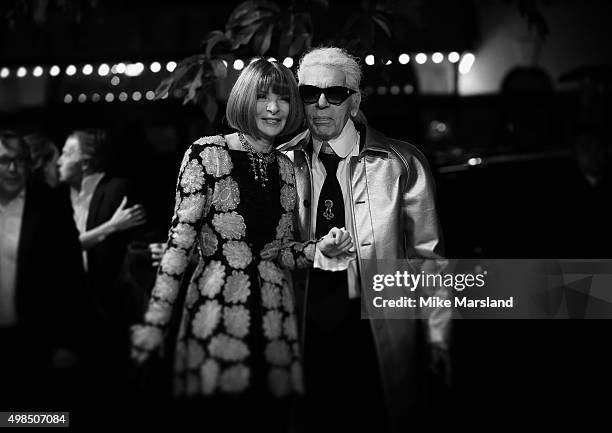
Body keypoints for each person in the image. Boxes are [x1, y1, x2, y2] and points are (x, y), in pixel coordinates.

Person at [130, 59, 353, 430]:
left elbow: (279, 251)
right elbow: (178, 248)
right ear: (243, 100)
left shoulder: (284, 166)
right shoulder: (206, 153)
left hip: (275, 322)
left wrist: (318, 250)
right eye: (262, 97)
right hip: (216, 314)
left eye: (282, 98)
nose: (273, 107)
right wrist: (154, 327)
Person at [278, 47, 452, 433]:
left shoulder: (400, 163)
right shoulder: (281, 162)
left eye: (334, 94)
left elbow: (429, 256)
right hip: (303, 330)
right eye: (310, 93)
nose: (321, 104)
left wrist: (438, 335)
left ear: (354, 101)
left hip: (377, 331)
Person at [56, 128, 147, 407]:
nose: (59, 160)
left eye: (66, 153)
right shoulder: (59, 197)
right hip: (69, 309)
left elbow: (133, 247)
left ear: (85, 161)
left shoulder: (115, 189)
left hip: (107, 310)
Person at [0, 130, 86, 408]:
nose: (13, 169)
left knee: (37, 418)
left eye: (20, 161)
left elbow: (72, 277)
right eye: (4, 161)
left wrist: (69, 341)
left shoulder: (50, 204)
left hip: (34, 342)